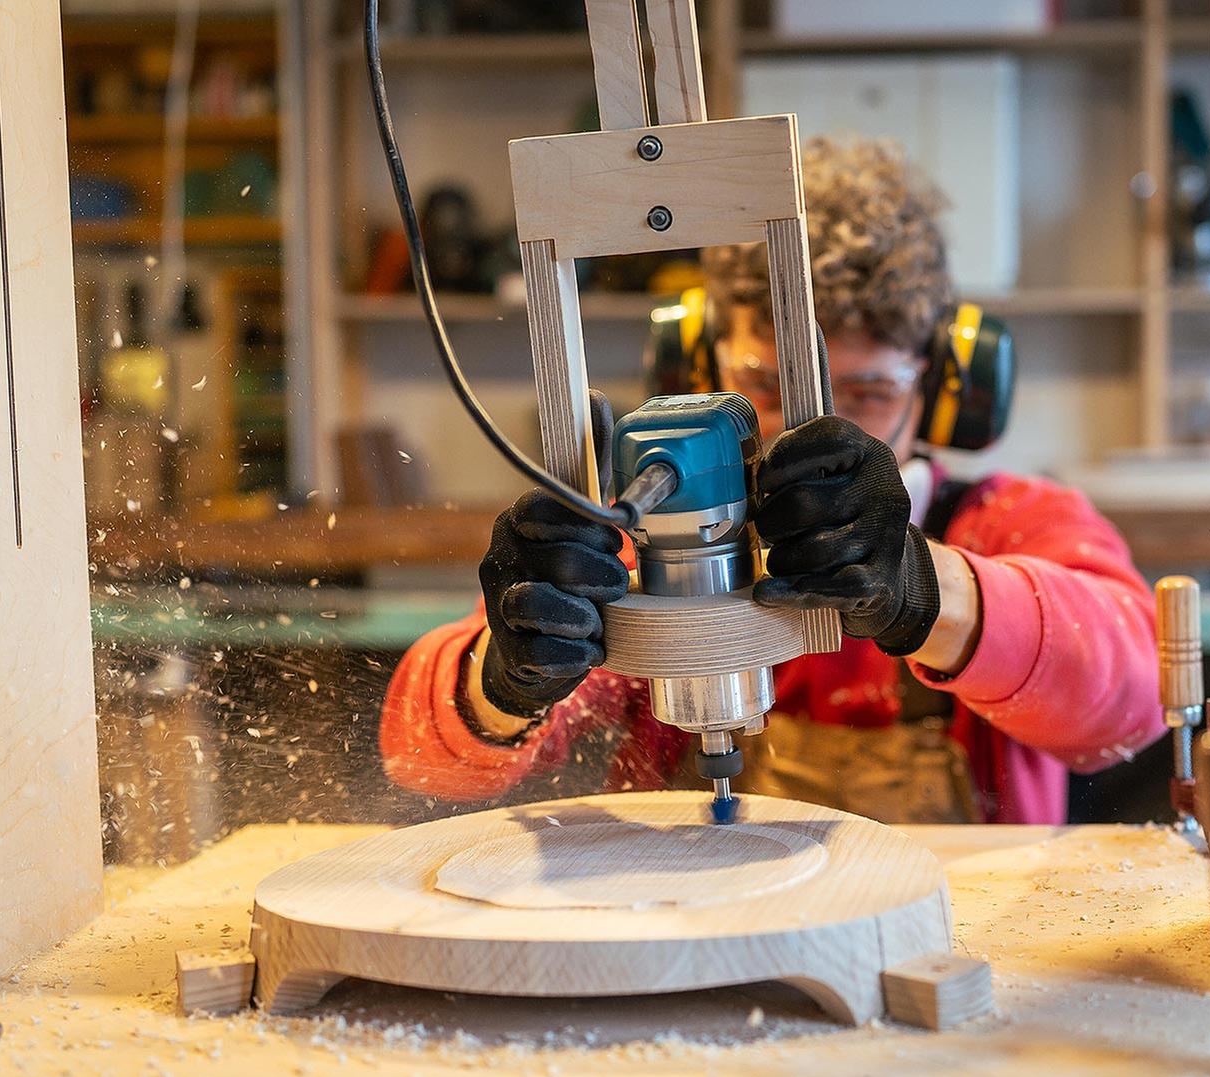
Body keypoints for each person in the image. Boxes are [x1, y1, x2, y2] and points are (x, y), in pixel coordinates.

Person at [379, 138, 1164, 824]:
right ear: (697, 366)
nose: (801, 429)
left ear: (946, 385)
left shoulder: (1008, 526)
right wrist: (504, 675)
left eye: (867, 392)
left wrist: (923, 588)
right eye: (764, 380)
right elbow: (421, 758)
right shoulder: (644, 545)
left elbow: (1135, 698)